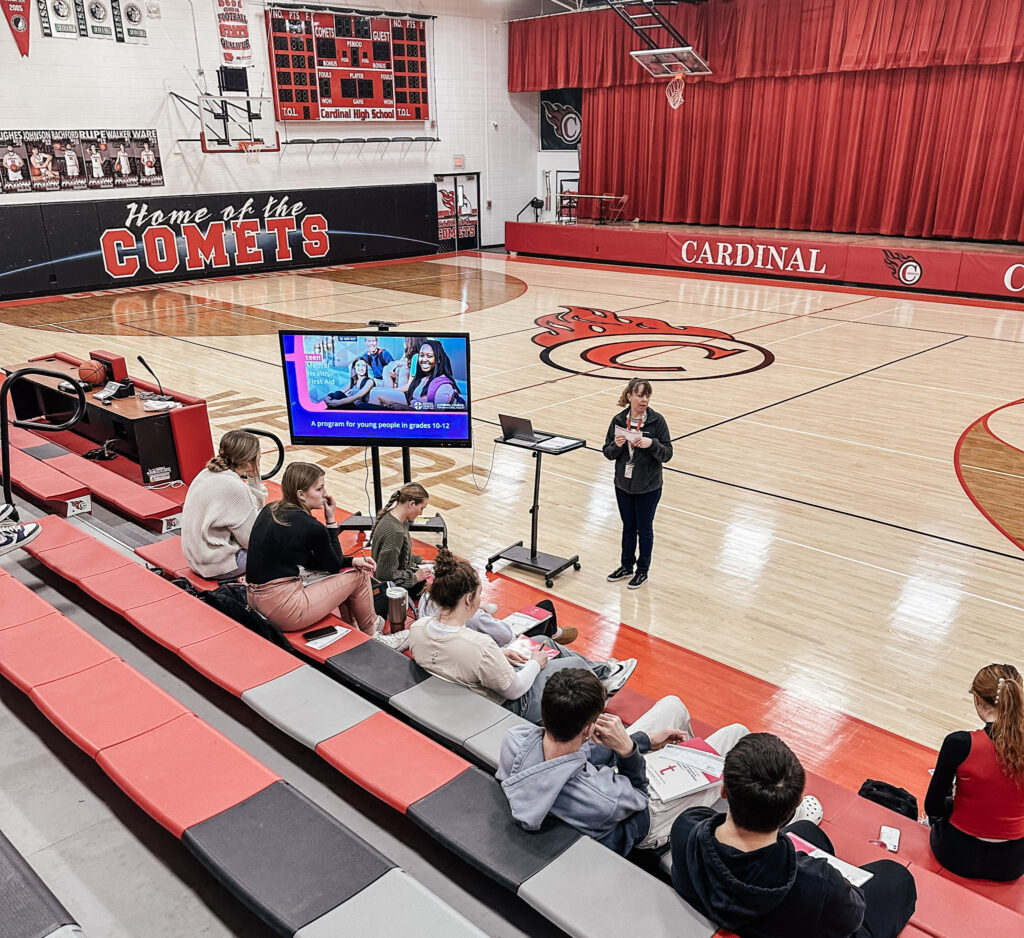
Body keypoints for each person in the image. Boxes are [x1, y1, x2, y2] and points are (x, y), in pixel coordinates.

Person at [670, 733, 917, 938]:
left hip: (732, 913)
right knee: (896, 876)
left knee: (808, 832)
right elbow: (852, 918)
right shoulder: (820, 883)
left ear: (723, 790)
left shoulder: (686, 827)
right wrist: (839, 888)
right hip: (798, 915)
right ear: (791, 810)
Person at [497, 668, 748, 854]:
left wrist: (644, 740)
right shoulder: (604, 799)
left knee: (674, 705)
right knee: (736, 734)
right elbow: (640, 795)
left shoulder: (515, 739)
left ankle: (683, 761)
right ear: (588, 729)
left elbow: (581, 756)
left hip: (602, 784)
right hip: (640, 815)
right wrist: (629, 750)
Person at [404, 549, 635, 723]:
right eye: (479, 595)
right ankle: (597, 694)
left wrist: (499, 654)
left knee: (543, 642)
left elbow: (452, 656)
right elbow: (514, 690)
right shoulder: (479, 645)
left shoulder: (419, 627)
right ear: (467, 599)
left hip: (466, 688)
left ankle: (606, 675)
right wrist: (535, 664)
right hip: (510, 705)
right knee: (572, 665)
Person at [245, 462, 401, 645]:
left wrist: (351, 561)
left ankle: (352, 627)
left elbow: (315, 562)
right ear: (301, 495)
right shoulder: (311, 526)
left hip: (255, 600)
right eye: (319, 489)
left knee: (345, 572)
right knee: (359, 577)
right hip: (285, 611)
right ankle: (374, 635)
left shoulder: (269, 510)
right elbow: (333, 566)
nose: (325, 494)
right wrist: (331, 520)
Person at [925, 663, 1024, 881]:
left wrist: (954, 798)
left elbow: (932, 807)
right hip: (1013, 863)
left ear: (978, 700)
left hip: (957, 854)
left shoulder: (959, 743)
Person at [603, 377, 673, 590]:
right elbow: (607, 452)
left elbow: (667, 454)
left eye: (647, 395)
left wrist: (652, 444)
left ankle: (643, 570)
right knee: (628, 527)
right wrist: (616, 446)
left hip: (648, 486)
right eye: (640, 395)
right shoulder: (618, 420)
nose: (644, 400)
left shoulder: (657, 421)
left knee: (644, 528)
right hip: (623, 484)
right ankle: (626, 566)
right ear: (630, 396)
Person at [181, 430, 267, 580]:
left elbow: (253, 504)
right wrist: (255, 475)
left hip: (197, 560)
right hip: (218, 566)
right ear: (248, 461)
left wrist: (252, 476)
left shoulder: (205, 473)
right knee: (278, 546)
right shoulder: (234, 487)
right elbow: (252, 541)